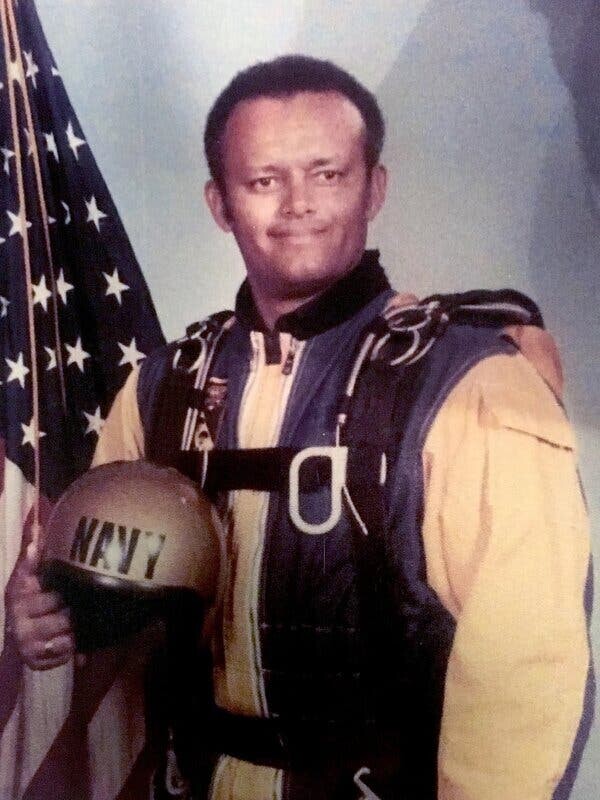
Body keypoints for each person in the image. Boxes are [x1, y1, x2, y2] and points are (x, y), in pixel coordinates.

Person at [6, 55, 591, 800]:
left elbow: (526, 682)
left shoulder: (474, 386)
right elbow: (101, 593)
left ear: (374, 187)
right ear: (221, 204)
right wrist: (51, 612)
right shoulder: (159, 387)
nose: (298, 204)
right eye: (263, 181)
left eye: (328, 174)